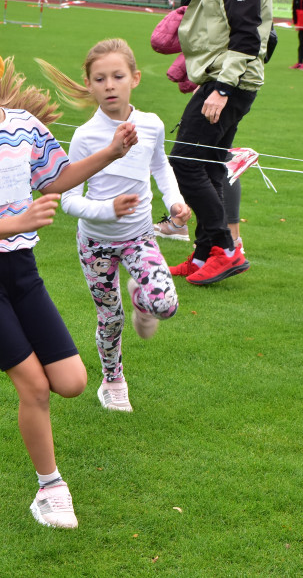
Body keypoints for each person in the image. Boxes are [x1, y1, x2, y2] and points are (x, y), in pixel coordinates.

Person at [0, 17, 138, 529]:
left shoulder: (24, 127)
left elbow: (57, 179)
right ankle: (50, 489)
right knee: (35, 388)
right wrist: (17, 220)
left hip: (21, 271)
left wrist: (111, 153)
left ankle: (53, 458)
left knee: (72, 382)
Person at [38, 39, 186, 413]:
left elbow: (160, 167)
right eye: (100, 78)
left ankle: (142, 295)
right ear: (89, 84)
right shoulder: (86, 136)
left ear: (134, 78)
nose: (109, 85)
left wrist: (175, 202)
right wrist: (109, 210)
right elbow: (68, 198)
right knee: (111, 318)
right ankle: (113, 380)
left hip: (139, 238)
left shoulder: (150, 125)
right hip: (96, 245)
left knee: (165, 304)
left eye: (118, 76)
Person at [167, 0, 274, 286]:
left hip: (228, 81)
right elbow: (191, 13)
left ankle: (226, 250)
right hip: (223, 77)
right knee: (209, 165)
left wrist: (222, 89)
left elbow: (247, 37)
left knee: (185, 162)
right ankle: (202, 254)